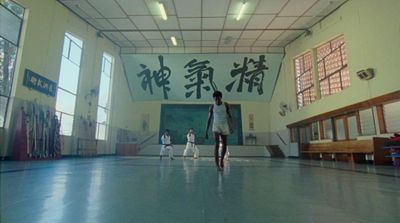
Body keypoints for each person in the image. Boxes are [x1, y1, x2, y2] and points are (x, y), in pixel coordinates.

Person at [205, 90, 233, 171]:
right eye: (215, 99)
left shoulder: (226, 105)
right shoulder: (212, 106)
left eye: (218, 99)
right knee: (217, 144)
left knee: (225, 144)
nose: (217, 100)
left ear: (221, 98)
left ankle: (221, 160)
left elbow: (230, 116)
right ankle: (217, 165)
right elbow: (209, 119)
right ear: (213, 99)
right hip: (216, 125)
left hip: (224, 125)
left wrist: (231, 126)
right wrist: (206, 131)